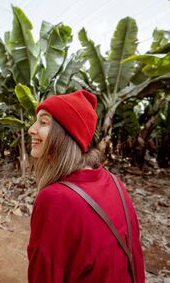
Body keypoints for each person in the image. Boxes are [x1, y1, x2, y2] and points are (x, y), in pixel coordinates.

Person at [27, 89, 145, 282]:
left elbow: (44, 275)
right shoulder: (113, 182)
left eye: (44, 122)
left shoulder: (55, 198)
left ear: (65, 134)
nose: (31, 129)